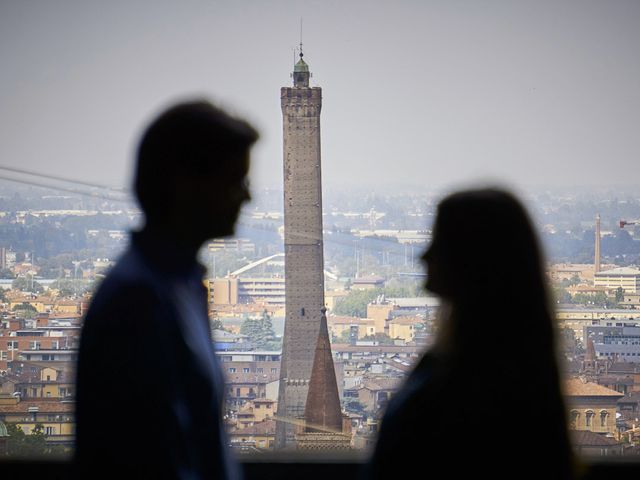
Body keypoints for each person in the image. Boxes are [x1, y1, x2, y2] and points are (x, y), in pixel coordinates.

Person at [75, 101, 258, 479]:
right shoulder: (138, 302)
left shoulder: (178, 287)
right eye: (234, 181)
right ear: (186, 185)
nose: (247, 197)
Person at [368, 188, 576, 480]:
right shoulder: (504, 369)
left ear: (474, 259)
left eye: (439, 243)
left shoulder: (472, 382)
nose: (424, 256)